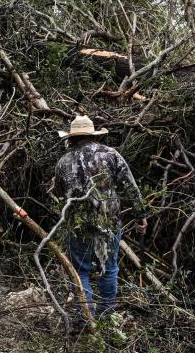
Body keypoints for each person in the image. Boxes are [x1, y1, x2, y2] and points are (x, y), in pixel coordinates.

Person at [54, 115, 148, 328]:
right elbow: (131, 187)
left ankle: (86, 321)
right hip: (109, 222)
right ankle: (107, 319)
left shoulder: (63, 162)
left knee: (80, 272)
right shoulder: (111, 154)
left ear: (72, 138)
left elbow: (60, 192)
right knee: (109, 269)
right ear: (93, 135)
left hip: (78, 226)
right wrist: (140, 216)